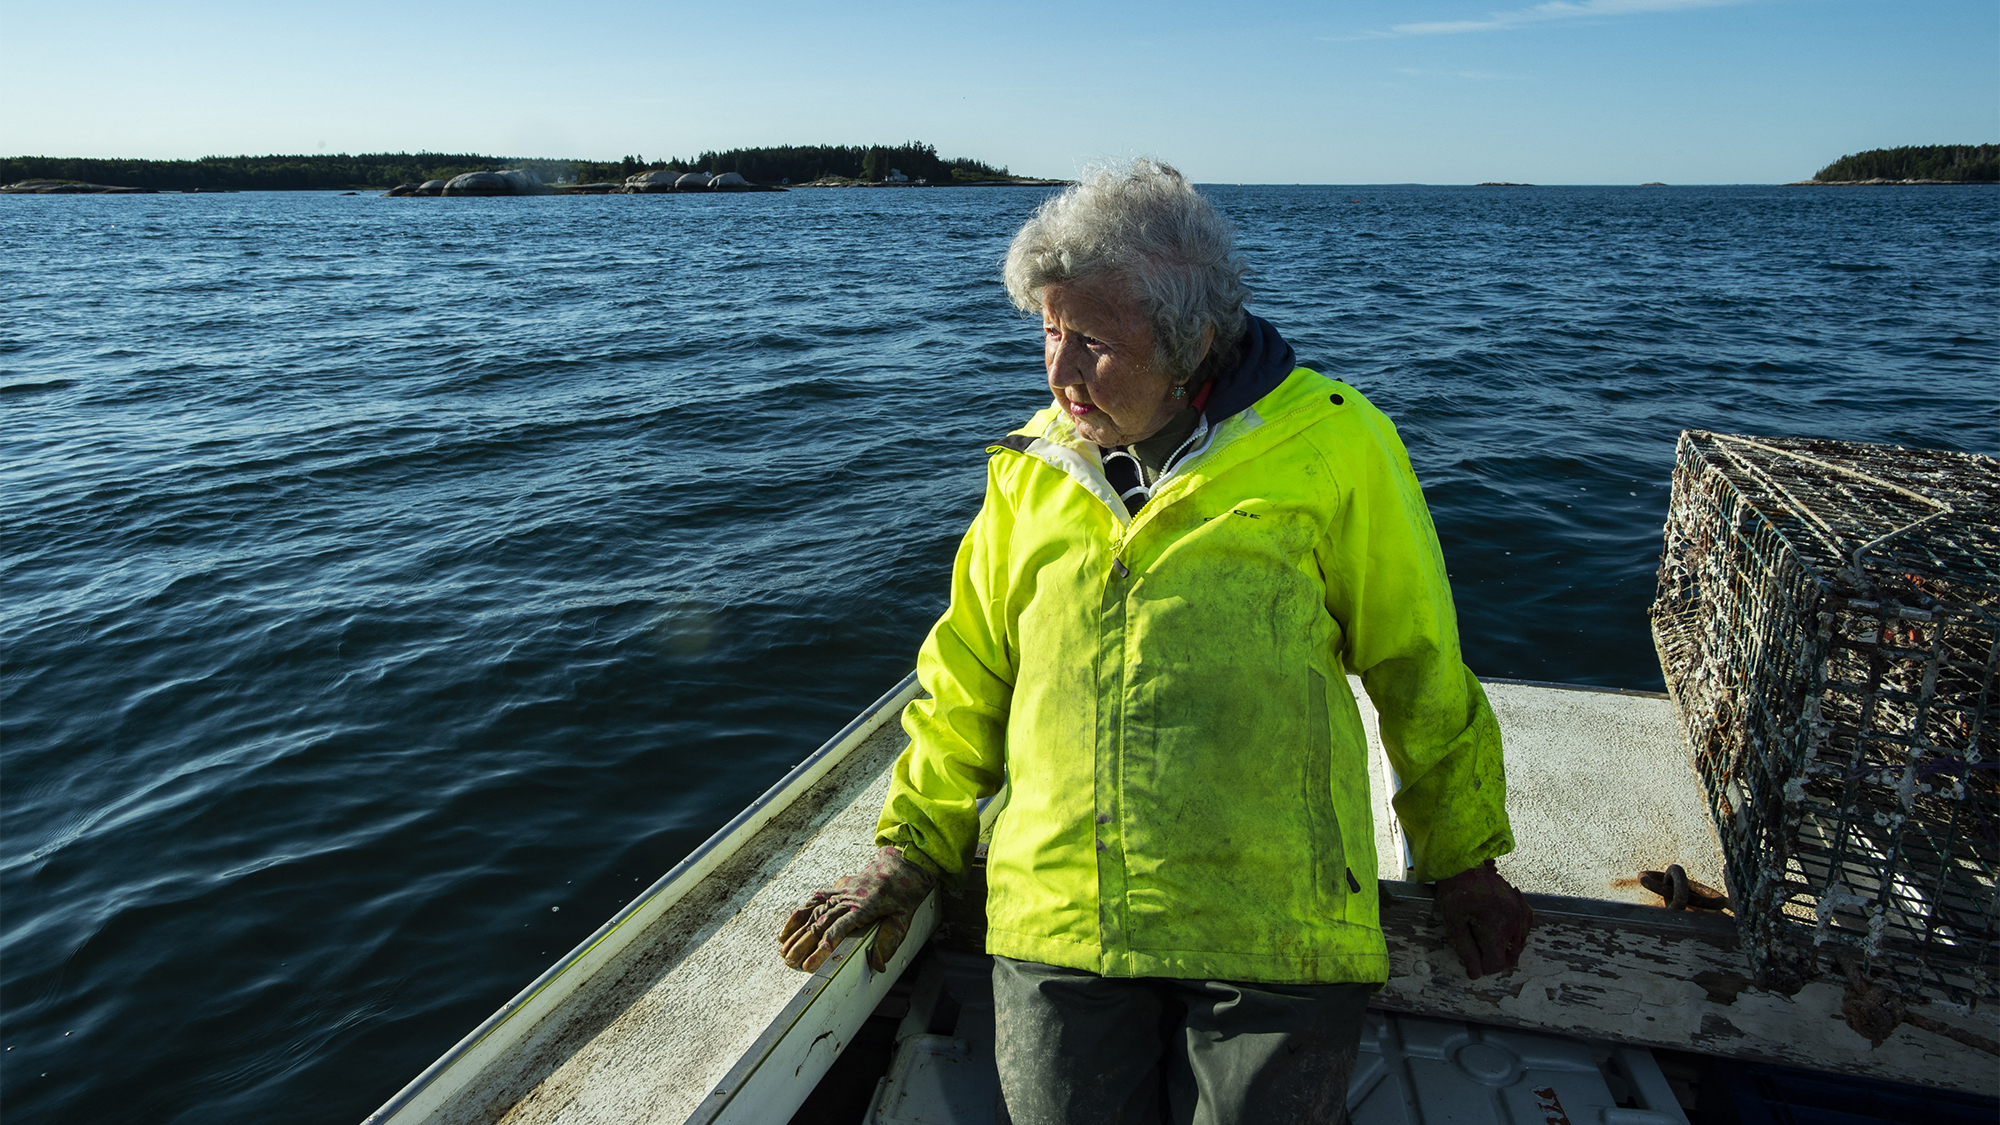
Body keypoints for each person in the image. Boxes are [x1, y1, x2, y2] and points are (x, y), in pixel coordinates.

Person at [779, 160, 1532, 1124]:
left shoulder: (1337, 446)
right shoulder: (1030, 469)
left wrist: (1463, 856)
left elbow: (1417, 663)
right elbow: (966, 676)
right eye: (1049, 332)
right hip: (1061, 922)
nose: (1059, 369)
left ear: (1192, 341)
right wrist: (910, 849)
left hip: (1276, 928)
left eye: (1091, 340)